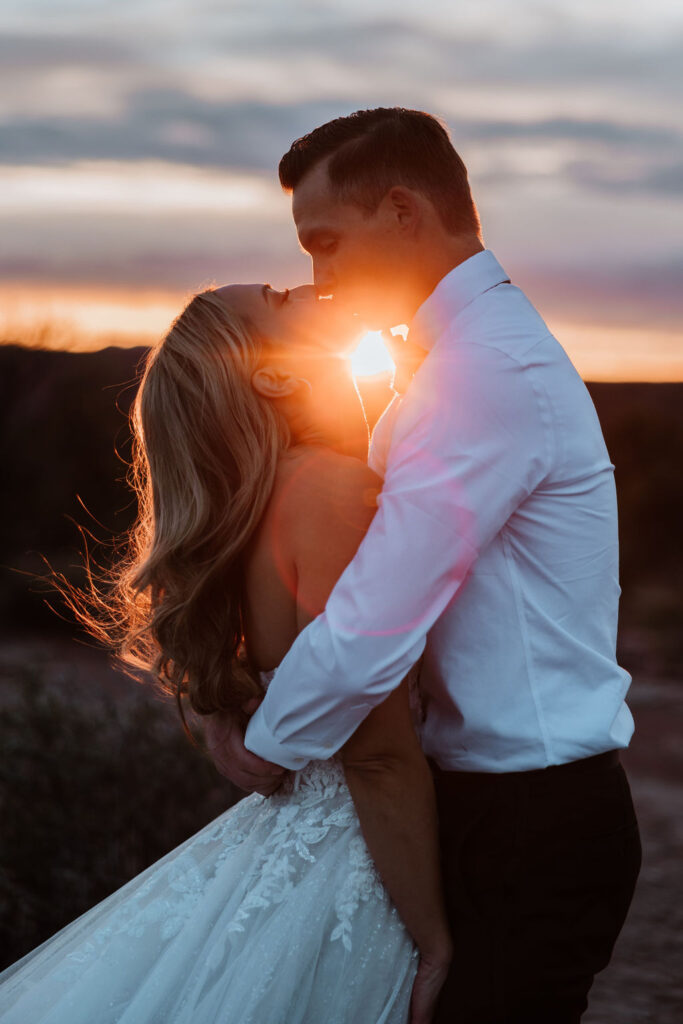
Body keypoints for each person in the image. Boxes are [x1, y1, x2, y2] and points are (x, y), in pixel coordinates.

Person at [204, 107, 642, 1023]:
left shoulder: (483, 371)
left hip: (534, 818)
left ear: (404, 212)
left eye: (326, 244)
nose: (317, 280)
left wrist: (263, 745)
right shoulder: (465, 358)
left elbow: (373, 622)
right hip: (492, 805)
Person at [0, 284, 453, 1023]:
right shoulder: (328, 488)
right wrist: (433, 941)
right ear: (274, 374)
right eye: (279, 297)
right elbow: (375, 752)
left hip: (304, 838)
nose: (308, 284)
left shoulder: (273, 496)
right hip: (364, 857)